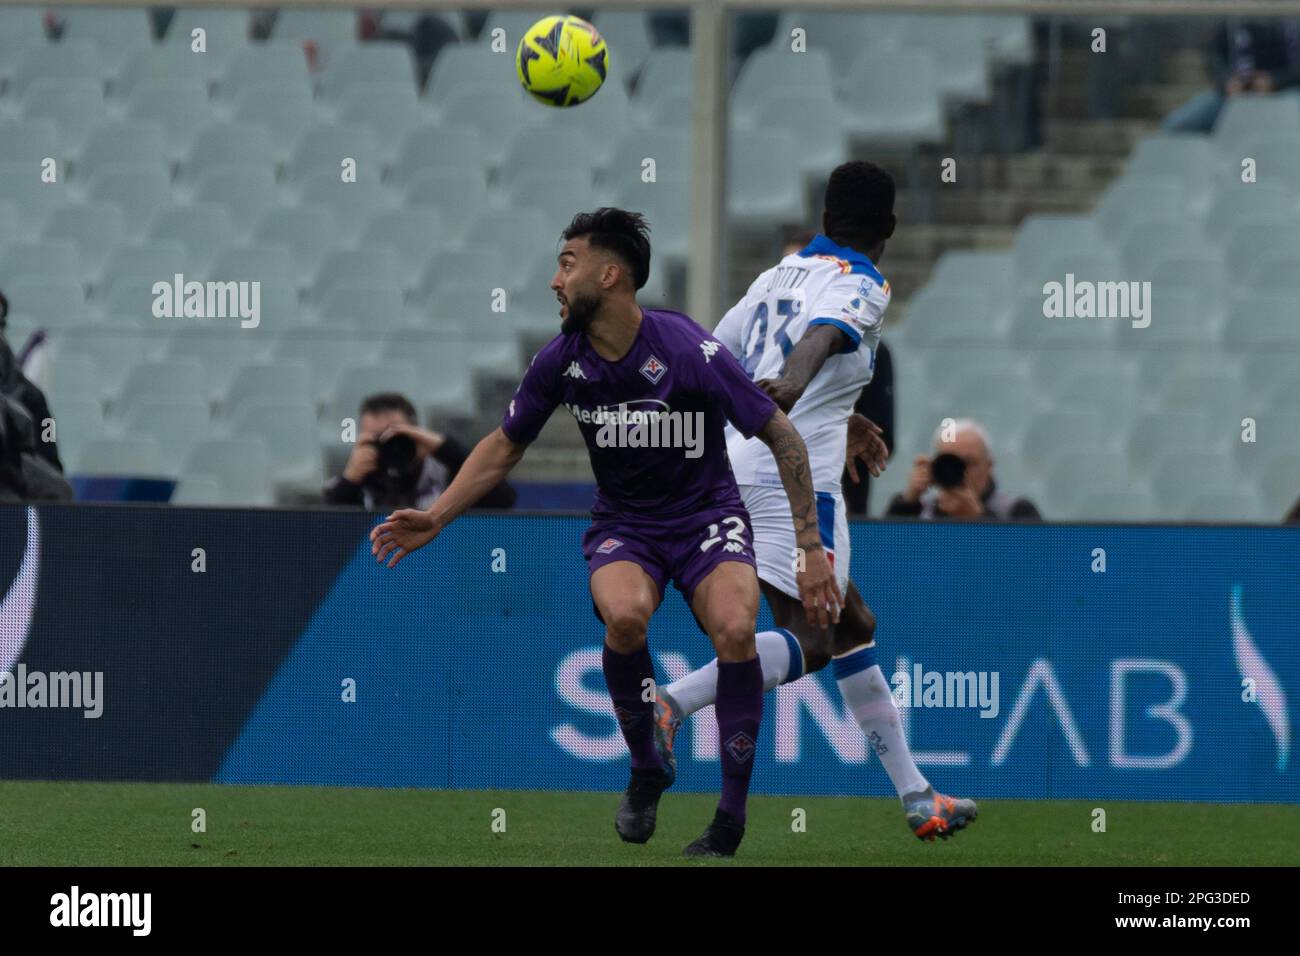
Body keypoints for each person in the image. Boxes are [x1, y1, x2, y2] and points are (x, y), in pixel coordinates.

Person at [371, 208, 840, 858]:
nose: (555, 281)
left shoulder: (689, 351)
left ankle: (729, 820)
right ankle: (648, 762)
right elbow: (504, 448)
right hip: (628, 526)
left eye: (567, 264)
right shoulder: (561, 362)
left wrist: (810, 546)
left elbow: (779, 431)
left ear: (611, 274)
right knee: (624, 619)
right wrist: (439, 514)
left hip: (708, 516)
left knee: (736, 631)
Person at [656, 162, 977, 842]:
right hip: (794, 479)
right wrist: (796, 393)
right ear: (889, 228)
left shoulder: (777, 275)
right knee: (815, 636)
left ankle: (919, 798)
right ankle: (671, 702)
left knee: (853, 622)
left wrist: (839, 412)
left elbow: (717, 355)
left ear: (824, 219)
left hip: (734, 463)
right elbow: (819, 341)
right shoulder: (864, 282)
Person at [323, 393, 516, 511]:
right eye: (376, 439)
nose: (388, 446)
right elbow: (323, 536)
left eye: (395, 436)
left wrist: (444, 447)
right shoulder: (350, 484)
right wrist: (349, 482)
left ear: (416, 434)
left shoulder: (447, 474)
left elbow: (502, 499)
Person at [886, 418, 1041, 520]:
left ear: (989, 466)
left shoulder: (1016, 511)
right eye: (950, 462)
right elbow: (881, 555)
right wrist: (906, 504)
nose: (961, 472)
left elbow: (1032, 563)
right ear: (934, 467)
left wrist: (979, 519)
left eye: (969, 462)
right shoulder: (920, 512)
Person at [1163, 18, 1300, 133]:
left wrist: (1275, 80)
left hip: (1285, 91)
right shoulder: (1233, 19)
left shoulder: (1288, 16)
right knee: (1174, 126)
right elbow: (1214, 58)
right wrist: (1227, 82)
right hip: (1235, 93)